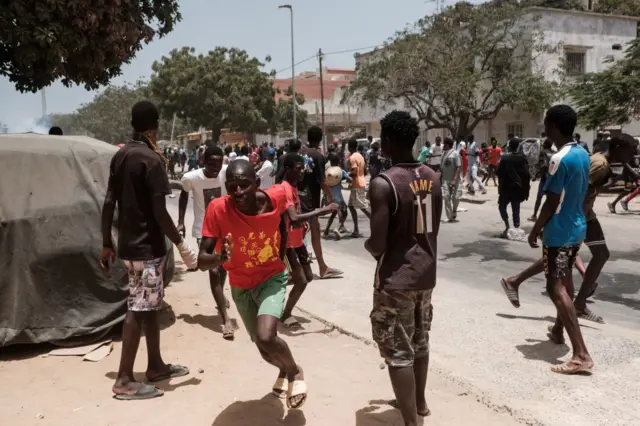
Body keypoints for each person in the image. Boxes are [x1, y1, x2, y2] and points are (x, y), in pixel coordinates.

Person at [100, 101, 198, 400]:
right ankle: (124, 380)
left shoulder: (120, 156)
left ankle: (155, 365)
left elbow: (108, 203)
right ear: (154, 124)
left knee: (151, 305)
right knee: (138, 308)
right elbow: (159, 212)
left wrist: (106, 242)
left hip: (129, 245)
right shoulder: (151, 159)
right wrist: (181, 245)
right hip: (147, 247)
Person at [198, 159, 307, 409]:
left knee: (266, 336)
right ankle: (283, 370)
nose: (238, 192)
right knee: (263, 349)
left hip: (271, 277)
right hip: (240, 285)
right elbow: (202, 261)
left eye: (244, 185)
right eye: (232, 186)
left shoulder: (276, 196)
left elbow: (288, 196)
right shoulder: (217, 209)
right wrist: (221, 258)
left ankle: (294, 372)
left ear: (257, 184)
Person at [503, 134, 638, 326]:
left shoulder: (601, 162)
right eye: (630, 151)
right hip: (579, 216)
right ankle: (569, 310)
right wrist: (572, 222)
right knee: (569, 258)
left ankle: (573, 305)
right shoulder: (600, 165)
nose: (633, 155)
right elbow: (577, 189)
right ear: (617, 147)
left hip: (583, 215)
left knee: (589, 255)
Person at [367, 111, 442, 426]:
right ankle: (420, 403)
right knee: (420, 341)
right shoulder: (433, 177)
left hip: (396, 279)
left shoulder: (384, 183)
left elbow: (378, 243)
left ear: (386, 141)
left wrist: (370, 248)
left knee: (398, 353)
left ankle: (410, 421)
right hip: (425, 274)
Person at [515, 105, 594, 375]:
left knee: (555, 287)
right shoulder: (583, 153)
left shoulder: (558, 158)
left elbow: (551, 200)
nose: (544, 129)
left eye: (546, 124)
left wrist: (536, 228)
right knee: (563, 283)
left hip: (559, 231)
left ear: (554, 127)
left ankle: (581, 354)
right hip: (577, 226)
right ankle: (559, 332)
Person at [177, 145, 234, 340]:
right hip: (204, 229)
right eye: (211, 163)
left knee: (223, 266)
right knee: (214, 270)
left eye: (218, 163)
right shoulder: (192, 178)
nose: (215, 168)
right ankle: (225, 319)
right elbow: (183, 196)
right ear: (203, 161)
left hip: (225, 227)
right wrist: (180, 222)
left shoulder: (227, 173)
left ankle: (221, 297)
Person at [280, 154, 339, 327]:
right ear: (288, 169)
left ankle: (276, 289)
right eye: (298, 169)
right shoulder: (285, 189)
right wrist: (322, 210)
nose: (301, 173)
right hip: (289, 244)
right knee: (301, 280)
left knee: (307, 277)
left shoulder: (294, 187)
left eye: (302, 169)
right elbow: (293, 217)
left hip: (298, 242)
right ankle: (285, 313)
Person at [496, 138, 530, 238]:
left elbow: (498, 172)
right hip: (517, 187)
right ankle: (516, 228)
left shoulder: (505, 158)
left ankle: (507, 227)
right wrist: (526, 190)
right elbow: (526, 175)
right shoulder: (522, 158)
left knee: (502, 206)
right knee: (516, 209)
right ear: (518, 146)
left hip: (506, 187)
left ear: (509, 146)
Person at [323, 152, 352, 237]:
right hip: (338, 197)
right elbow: (350, 179)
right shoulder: (340, 171)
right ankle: (338, 227)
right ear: (338, 161)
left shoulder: (327, 171)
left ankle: (326, 231)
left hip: (330, 196)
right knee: (345, 212)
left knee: (334, 214)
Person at [347, 138, 371, 237]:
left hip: (357, 184)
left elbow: (354, 172)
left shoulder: (352, 158)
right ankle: (356, 230)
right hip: (359, 182)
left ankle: (376, 221)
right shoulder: (360, 156)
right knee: (351, 206)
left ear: (349, 147)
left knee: (362, 206)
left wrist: (347, 175)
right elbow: (365, 171)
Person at [528, 139, 555, 222]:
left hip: (545, 178)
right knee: (551, 198)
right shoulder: (554, 153)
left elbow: (543, 166)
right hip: (553, 178)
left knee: (539, 197)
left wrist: (536, 176)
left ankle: (535, 215)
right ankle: (551, 216)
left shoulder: (543, 153)